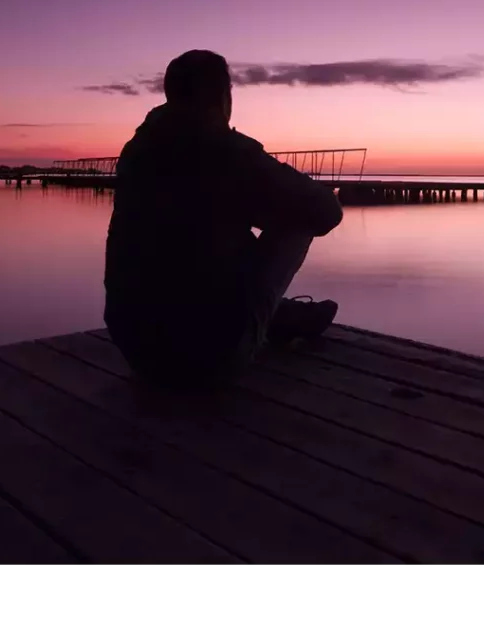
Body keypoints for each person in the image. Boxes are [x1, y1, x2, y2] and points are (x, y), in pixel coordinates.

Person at [104, 49, 343, 387]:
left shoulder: (136, 152)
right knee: (300, 218)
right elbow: (327, 212)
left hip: (137, 349)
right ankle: (273, 318)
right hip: (211, 356)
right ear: (222, 96)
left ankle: (278, 315)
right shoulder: (229, 152)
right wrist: (270, 207)